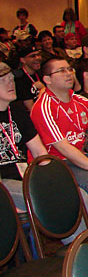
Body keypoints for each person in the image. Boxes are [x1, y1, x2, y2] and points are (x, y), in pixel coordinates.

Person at [30, 56, 88, 225]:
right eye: (61, 71)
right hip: (56, 164)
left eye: (69, 69)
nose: (68, 74)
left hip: (79, 157)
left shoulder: (82, 101)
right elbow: (64, 148)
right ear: (47, 79)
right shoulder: (43, 107)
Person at [0, 62, 47, 211]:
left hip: (26, 176)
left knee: (74, 192)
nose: (10, 83)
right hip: (4, 181)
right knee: (44, 198)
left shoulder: (18, 111)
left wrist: (51, 177)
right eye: (3, 80)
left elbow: (39, 151)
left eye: (11, 78)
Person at [13, 43, 44, 111]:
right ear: (23, 60)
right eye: (33, 56)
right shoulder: (18, 78)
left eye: (38, 55)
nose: (38, 58)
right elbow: (31, 109)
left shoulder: (41, 73)